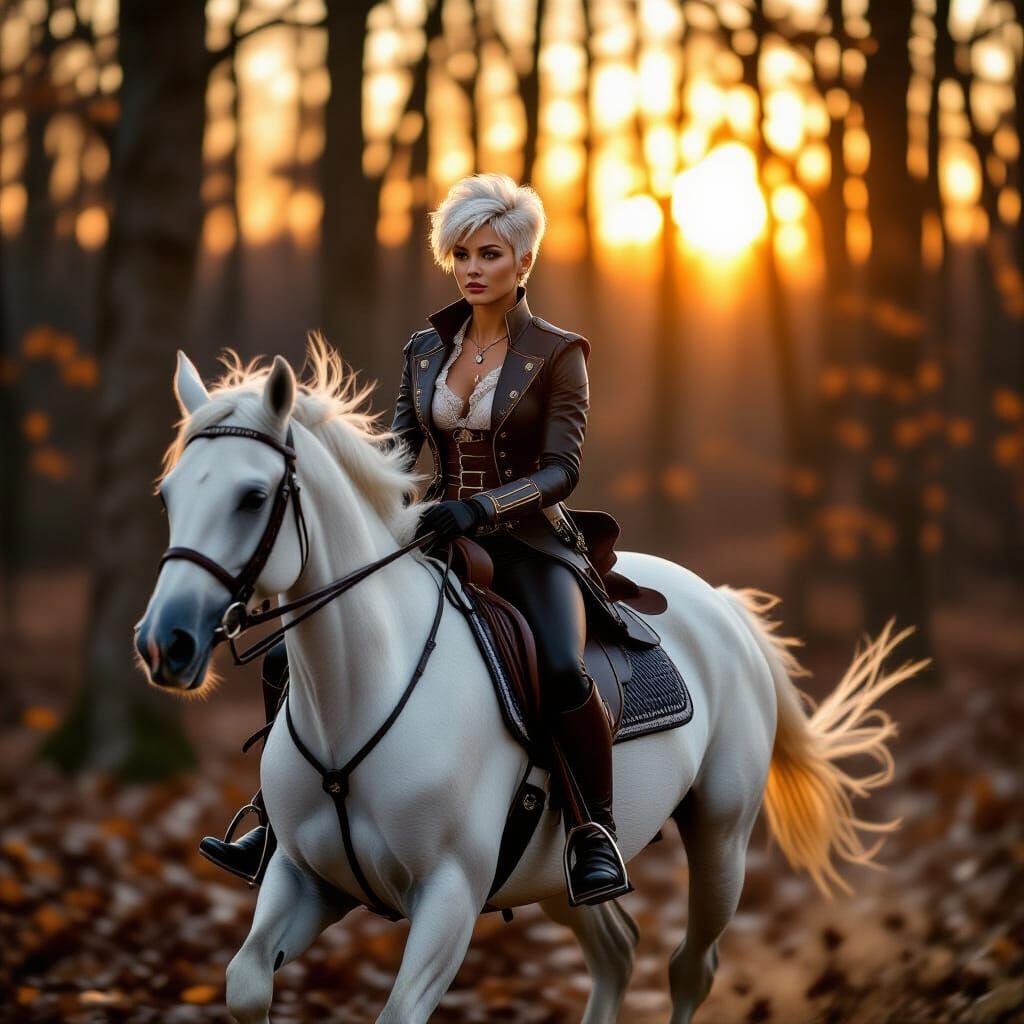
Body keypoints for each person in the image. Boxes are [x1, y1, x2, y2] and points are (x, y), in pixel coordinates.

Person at [200, 173, 630, 906]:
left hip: (529, 541)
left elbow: (563, 470)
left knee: (560, 667)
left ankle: (595, 833)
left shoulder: (561, 353)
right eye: (460, 253)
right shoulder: (424, 350)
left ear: (523, 262)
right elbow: (398, 454)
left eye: (489, 253)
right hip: (429, 531)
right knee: (286, 650)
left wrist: (481, 508)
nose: (472, 268)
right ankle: (274, 821)